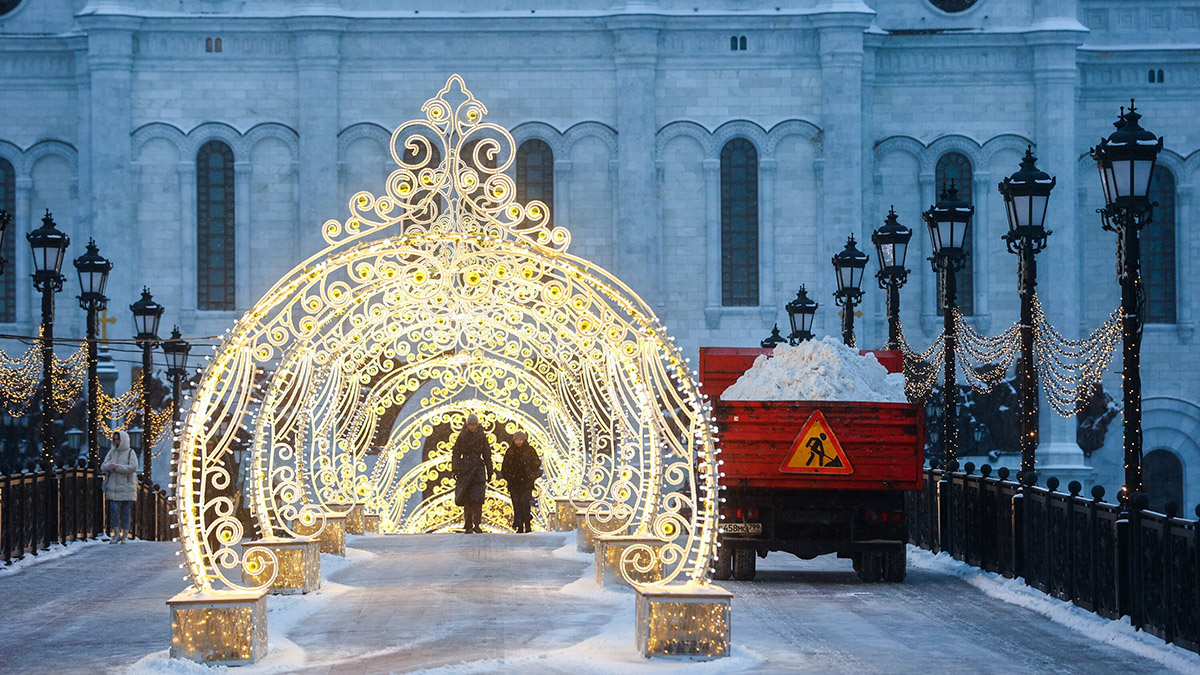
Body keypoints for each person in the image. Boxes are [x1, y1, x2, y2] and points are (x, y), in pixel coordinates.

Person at [451, 414, 493, 533]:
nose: (472, 426)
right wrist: (455, 469)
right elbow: (456, 453)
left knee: (478, 499)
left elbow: (487, 454)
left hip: (478, 470)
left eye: (474, 424)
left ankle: (477, 524)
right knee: (467, 499)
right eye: (470, 424)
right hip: (465, 469)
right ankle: (468, 524)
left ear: (477, 425)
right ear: (467, 425)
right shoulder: (462, 436)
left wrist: (490, 470)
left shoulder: (482, 437)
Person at [101, 430, 139, 544]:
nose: (116, 441)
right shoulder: (112, 452)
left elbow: (133, 467)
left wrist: (117, 467)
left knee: (126, 510)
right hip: (114, 486)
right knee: (114, 509)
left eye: (118, 439)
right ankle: (116, 533)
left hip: (126, 485)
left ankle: (125, 535)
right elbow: (103, 466)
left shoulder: (130, 452)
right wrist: (107, 466)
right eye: (114, 439)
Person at [502, 431, 542, 533]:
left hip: (526, 482)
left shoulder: (529, 450)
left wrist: (531, 474)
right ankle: (520, 525)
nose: (519, 442)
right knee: (517, 504)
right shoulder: (510, 451)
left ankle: (527, 525)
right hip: (514, 483)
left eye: (520, 440)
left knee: (525, 503)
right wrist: (509, 477)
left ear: (524, 440)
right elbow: (505, 467)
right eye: (517, 440)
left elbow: (537, 463)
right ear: (514, 440)